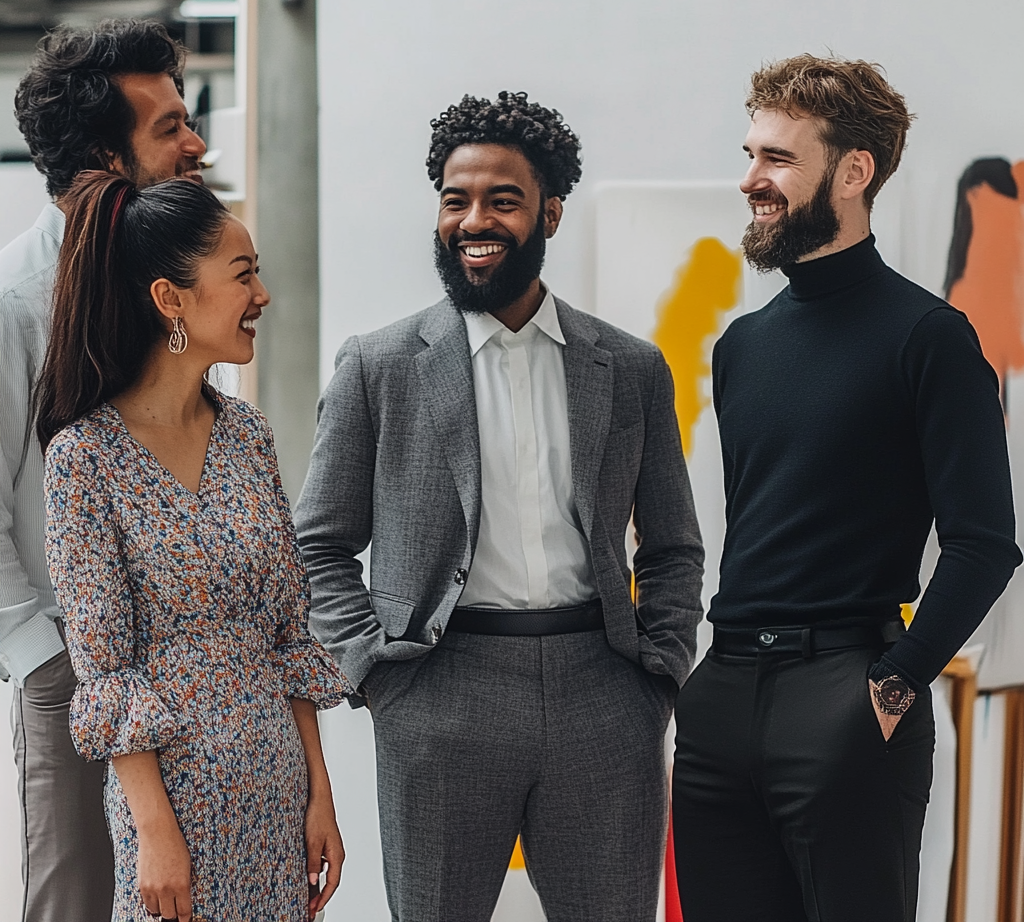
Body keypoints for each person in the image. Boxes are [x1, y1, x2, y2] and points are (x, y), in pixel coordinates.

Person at [295, 91, 704, 922]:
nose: (473, 219)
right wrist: (376, 674)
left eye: (502, 200)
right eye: (456, 199)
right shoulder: (379, 367)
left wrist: (658, 674)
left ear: (550, 212)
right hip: (439, 696)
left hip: (604, 694)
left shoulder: (630, 368)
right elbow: (318, 544)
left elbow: (672, 545)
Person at [672, 55, 1022, 922]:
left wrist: (895, 684)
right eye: (750, 153)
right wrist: (705, 694)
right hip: (721, 699)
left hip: (848, 693)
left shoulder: (930, 338)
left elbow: (985, 543)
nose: (751, 179)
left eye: (778, 159)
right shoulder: (742, 347)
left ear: (854, 171)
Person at [36, 171, 349, 922]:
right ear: (169, 299)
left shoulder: (248, 436)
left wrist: (320, 798)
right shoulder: (84, 459)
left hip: (276, 790)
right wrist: (153, 830)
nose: (262, 296)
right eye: (243, 276)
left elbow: (288, 637)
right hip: (173, 806)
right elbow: (105, 670)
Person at [0, 18, 206, 922]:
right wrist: (44, 664)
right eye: (168, 127)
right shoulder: (13, 304)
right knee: (77, 905)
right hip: (72, 670)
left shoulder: (178, 287)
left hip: (191, 667)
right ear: (100, 158)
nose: (195, 143)